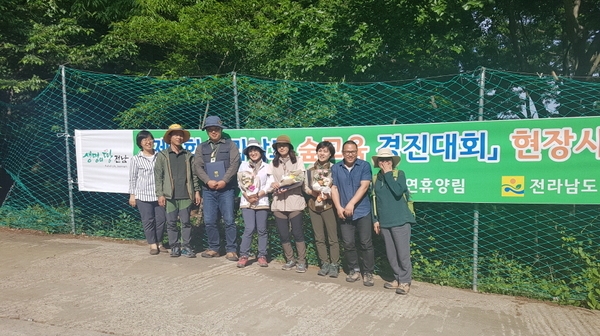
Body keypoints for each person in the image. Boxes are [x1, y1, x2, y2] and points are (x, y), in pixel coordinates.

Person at [193, 116, 241, 261]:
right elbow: (197, 166)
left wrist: (224, 181)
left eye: (216, 129)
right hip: (208, 190)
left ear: (220, 129)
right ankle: (214, 247)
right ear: (207, 131)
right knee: (209, 220)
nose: (213, 132)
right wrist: (208, 181)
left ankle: (231, 249)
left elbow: (235, 163)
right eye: (210, 129)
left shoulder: (230, 145)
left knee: (229, 219)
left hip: (226, 189)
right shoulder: (201, 147)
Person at [371, 148, 416, 295]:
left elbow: (398, 191)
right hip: (384, 221)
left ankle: (405, 281)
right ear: (378, 162)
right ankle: (397, 278)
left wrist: (389, 174)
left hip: (401, 220)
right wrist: (375, 220)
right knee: (391, 253)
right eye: (382, 160)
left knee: (403, 253)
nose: (385, 163)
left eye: (388, 160)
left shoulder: (399, 174)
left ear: (393, 162)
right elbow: (374, 200)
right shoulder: (376, 178)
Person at [331, 140, 375, 286]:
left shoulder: (364, 166)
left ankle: (368, 272)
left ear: (357, 152)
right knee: (348, 243)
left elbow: (364, 186)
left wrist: (351, 204)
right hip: (343, 212)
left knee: (365, 243)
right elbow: (334, 188)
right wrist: (338, 207)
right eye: (347, 152)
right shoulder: (336, 168)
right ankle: (354, 269)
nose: (350, 154)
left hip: (362, 211)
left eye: (353, 152)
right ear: (342, 153)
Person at [154, 124, 201, 258]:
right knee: (171, 223)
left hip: (186, 194)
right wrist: (160, 194)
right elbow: (158, 176)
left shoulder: (188, 156)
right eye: (175, 134)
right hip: (169, 196)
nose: (179, 137)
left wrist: (196, 191)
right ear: (169, 137)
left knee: (186, 222)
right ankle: (174, 247)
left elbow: (194, 175)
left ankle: (186, 246)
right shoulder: (162, 155)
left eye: (180, 135)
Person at [267, 135, 307, 273]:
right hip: (278, 203)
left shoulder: (298, 161)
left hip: (295, 202)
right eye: (279, 146)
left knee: (297, 232)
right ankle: (290, 259)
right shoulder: (273, 163)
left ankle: (302, 261)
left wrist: (286, 187)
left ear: (289, 147)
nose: (282, 147)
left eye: (284, 145)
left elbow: (300, 180)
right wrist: (273, 185)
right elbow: (270, 181)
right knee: (283, 234)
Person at [304, 141, 340, 277]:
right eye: (320, 150)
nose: (322, 153)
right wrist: (315, 193)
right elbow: (306, 186)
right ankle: (324, 263)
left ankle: (334, 264)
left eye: (325, 151)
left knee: (332, 237)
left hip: (328, 206)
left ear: (330, 154)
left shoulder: (334, 169)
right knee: (319, 237)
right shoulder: (310, 168)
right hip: (314, 205)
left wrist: (327, 195)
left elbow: (336, 187)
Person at [129, 130, 167, 255]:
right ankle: (152, 244)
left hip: (159, 195)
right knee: (148, 220)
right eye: (144, 140)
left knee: (161, 220)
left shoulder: (160, 156)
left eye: (150, 139)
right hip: (143, 195)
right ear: (140, 143)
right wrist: (132, 195)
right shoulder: (136, 159)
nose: (148, 142)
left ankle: (160, 242)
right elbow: (132, 178)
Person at [236, 139, 270, 268]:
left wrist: (258, 194)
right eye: (251, 150)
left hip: (262, 201)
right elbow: (240, 183)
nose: (253, 153)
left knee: (262, 229)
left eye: (256, 150)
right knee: (249, 228)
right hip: (247, 202)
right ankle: (244, 255)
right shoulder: (243, 165)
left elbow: (269, 184)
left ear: (261, 152)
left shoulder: (267, 166)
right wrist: (248, 196)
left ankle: (262, 255)